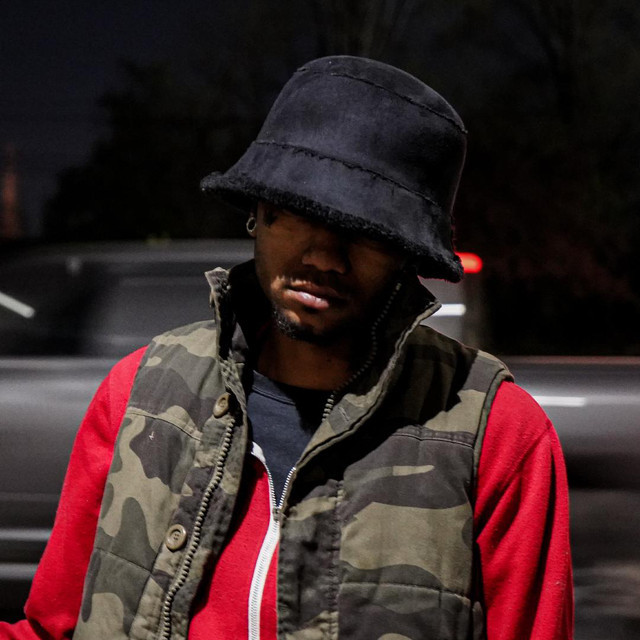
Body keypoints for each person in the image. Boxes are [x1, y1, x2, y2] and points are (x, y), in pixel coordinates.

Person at [1, 56, 573, 639]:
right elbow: (52, 629)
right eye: (298, 215)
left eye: (368, 232)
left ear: (407, 254)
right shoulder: (141, 393)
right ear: (258, 214)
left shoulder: (496, 435)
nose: (324, 256)